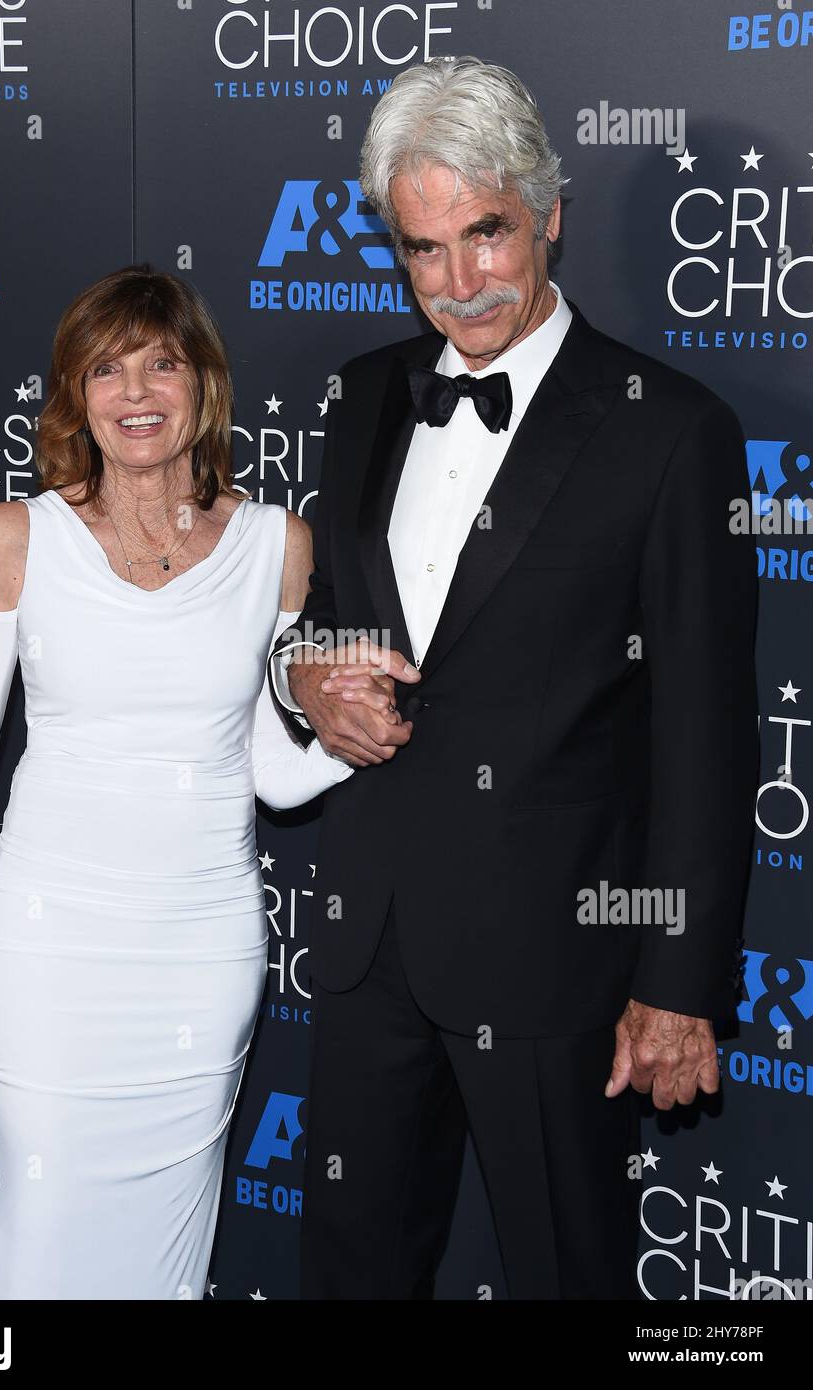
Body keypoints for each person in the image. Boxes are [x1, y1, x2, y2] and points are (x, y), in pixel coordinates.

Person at [267, 56, 759, 1299]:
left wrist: (677, 983)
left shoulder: (667, 427)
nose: (458, 281)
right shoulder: (362, 395)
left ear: (546, 210)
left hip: (559, 962)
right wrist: (307, 685)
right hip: (372, 940)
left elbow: (704, 731)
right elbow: (320, 626)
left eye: (483, 233)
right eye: (422, 248)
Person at [0, 264, 380, 1300]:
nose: (137, 392)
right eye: (106, 368)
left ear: (203, 384)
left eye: (162, 363)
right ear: (74, 391)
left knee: (160, 1268)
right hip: (45, 959)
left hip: (199, 960)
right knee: (26, 1245)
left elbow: (273, 777)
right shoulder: (16, 539)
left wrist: (351, 730)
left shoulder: (275, 546)